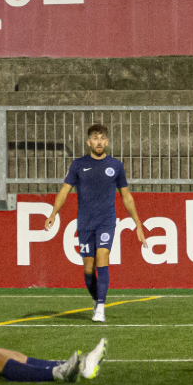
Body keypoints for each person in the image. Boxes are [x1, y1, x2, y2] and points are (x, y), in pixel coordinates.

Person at [45, 124, 147, 323]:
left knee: (103, 258)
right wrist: (53, 213)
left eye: (102, 138)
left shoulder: (115, 166)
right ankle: (95, 299)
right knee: (88, 269)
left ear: (107, 142)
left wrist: (138, 224)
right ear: (88, 142)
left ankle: (101, 307)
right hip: (84, 222)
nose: (99, 141)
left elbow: (126, 197)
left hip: (106, 221)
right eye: (95, 137)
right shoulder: (78, 165)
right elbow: (64, 191)